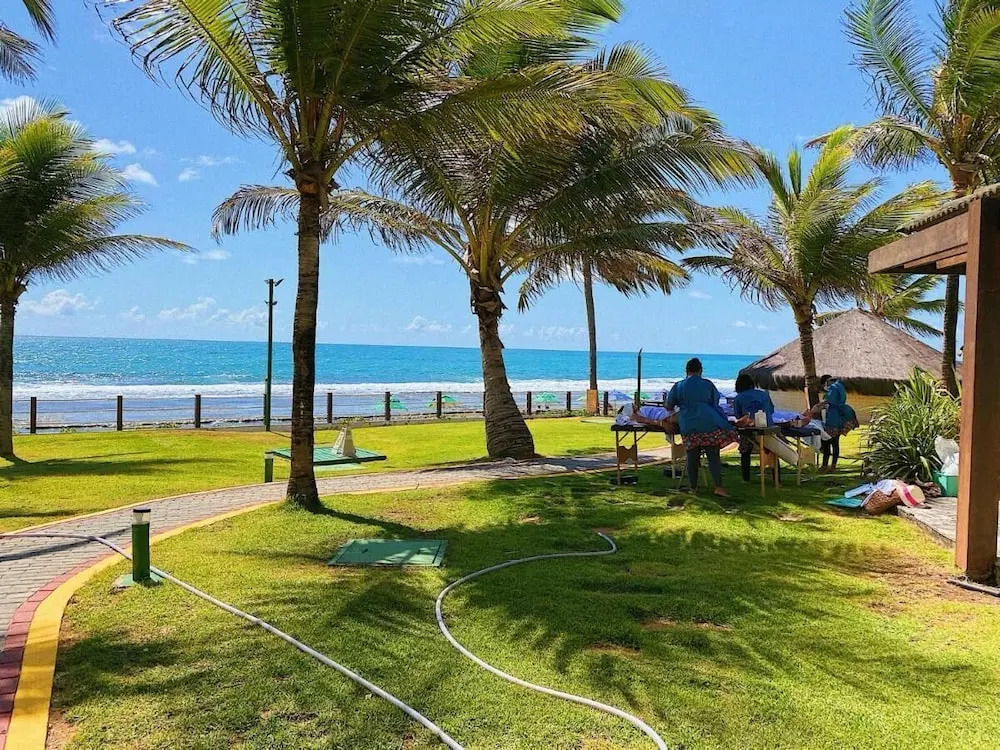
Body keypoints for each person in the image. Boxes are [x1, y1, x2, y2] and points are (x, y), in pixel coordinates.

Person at [666, 357, 735, 496]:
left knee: (692, 457)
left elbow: (669, 406)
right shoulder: (708, 384)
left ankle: (693, 488)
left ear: (686, 371)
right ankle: (719, 487)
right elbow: (715, 402)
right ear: (701, 370)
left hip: (688, 424)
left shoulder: (678, 386)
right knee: (713, 456)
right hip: (709, 423)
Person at [804, 374, 859, 472]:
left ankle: (824, 466)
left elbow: (825, 402)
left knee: (826, 442)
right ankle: (833, 465)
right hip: (841, 417)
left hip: (834, 418)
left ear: (826, 382)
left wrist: (811, 412)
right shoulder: (840, 386)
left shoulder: (833, 388)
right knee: (835, 443)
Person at [733, 372, 776, 482]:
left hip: (750, 429)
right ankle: (777, 478)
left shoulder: (738, 398)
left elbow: (739, 416)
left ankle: (746, 478)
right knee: (773, 451)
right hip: (767, 427)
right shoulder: (764, 394)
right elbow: (771, 410)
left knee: (745, 450)